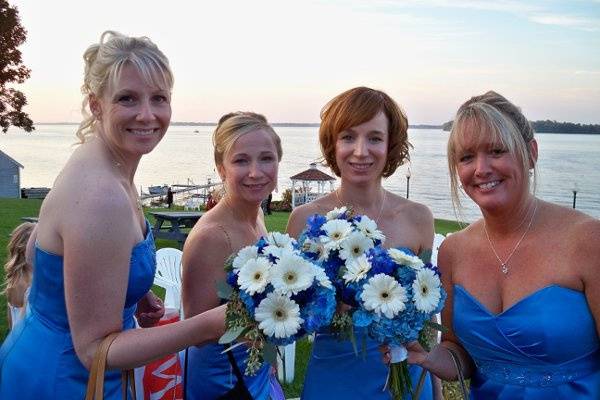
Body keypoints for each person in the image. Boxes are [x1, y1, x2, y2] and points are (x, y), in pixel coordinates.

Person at [0, 31, 224, 399]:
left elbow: (58, 257)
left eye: (159, 99)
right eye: (127, 99)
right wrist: (205, 325)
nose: (148, 115)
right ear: (96, 104)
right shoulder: (101, 196)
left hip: (39, 359)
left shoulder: (102, 161)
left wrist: (129, 295)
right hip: (64, 381)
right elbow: (94, 351)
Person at [404, 91, 600, 399]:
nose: (481, 169)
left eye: (496, 151)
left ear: (531, 153)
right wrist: (424, 356)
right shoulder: (453, 251)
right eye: (467, 157)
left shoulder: (588, 240)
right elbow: (459, 354)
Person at [286, 87, 438, 399]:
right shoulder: (304, 220)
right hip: (335, 378)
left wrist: (435, 390)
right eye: (348, 137)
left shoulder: (418, 218)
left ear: (390, 145)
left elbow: (427, 311)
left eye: (374, 138)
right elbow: (292, 312)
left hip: (406, 378)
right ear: (333, 144)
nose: (360, 151)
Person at [182, 112, 284, 399]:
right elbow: (196, 332)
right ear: (221, 169)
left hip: (258, 369)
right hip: (225, 381)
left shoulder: (257, 215)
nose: (255, 172)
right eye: (241, 161)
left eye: (266, 158)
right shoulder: (212, 236)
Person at [3, 222, 36, 330]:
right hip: (29, 339)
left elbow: (11, 321)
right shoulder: (33, 283)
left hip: (15, 339)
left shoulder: (14, 279)